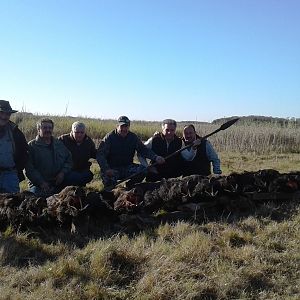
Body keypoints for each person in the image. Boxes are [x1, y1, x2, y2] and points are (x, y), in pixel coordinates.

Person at [97, 116, 165, 188]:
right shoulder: (109, 137)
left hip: (127, 166)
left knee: (143, 170)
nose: (124, 129)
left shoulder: (133, 137)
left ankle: (129, 186)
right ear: (117, 126)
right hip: (112, 168)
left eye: (126, 126)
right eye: (122, 126)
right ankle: (109, 191)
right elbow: (100, 155)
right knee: (109, 185)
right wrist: (106, 169)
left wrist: (155, 157)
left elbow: (143, 149)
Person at [25, 118, 73, 197]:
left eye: (50, 128)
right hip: (38, 184)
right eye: (45, 128)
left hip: (57, 182)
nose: (48, 130)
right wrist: (41, 183)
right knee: (35, 201)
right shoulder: (31, 146)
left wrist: (62, 173)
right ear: (38, 130)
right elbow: (29, 169)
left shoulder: (59, 144)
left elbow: (69, 160)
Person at [0, 100, 28, 193]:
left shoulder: (15, 131)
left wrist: (17, 170)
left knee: (12, 204)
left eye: (7, 114)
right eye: (1, 113)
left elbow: (24, 152)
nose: (4, 116)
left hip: (10, 174)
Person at [59, 121, 97, 186]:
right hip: (67, 171)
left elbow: (95, 154)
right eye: (76, 132)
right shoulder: (63, 140)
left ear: (85, 132)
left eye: (82, 132)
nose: (79, 135)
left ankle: (79, 189)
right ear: (72, 131)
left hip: (83, 170)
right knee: (73, 177)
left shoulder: (88, 141)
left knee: (89, 175)